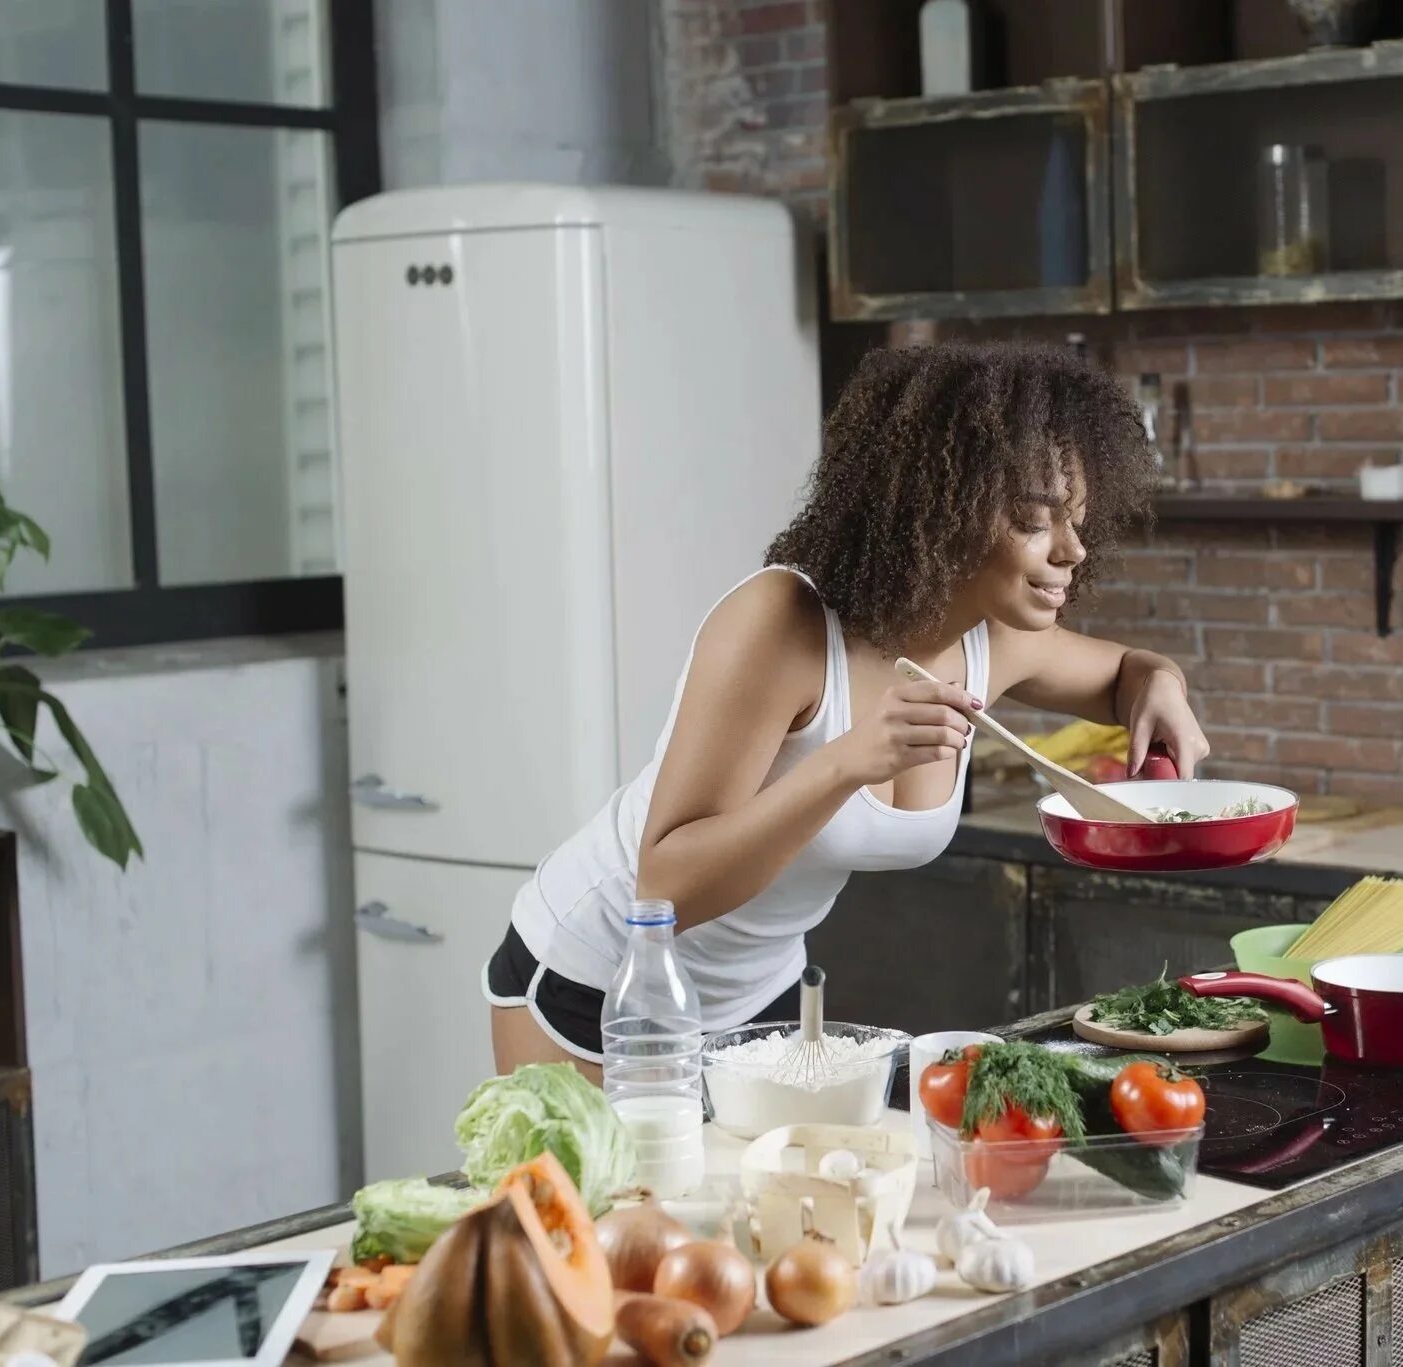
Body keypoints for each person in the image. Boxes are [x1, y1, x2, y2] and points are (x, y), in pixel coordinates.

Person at [485, 342, 1211, 1080]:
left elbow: (1128, 672)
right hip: (602, 979)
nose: (1073, 549)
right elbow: (663, 887)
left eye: (1079, 518)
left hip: (756, 994)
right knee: (619, 1199)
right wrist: (843, 764)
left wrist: (1162, 680)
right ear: (940, 504)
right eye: (1035, 519)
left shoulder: (994, 641)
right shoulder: (783, 626)